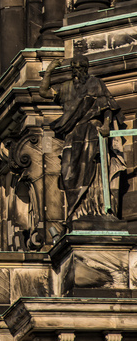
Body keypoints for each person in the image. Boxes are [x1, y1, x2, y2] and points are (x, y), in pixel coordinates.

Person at [40, 48, 125, 221]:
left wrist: (107, 124)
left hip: (91, 132)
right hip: (72, 136)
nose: (77, 69)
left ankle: (92, 208)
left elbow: (107, 105)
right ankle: (75, 210)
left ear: (86, 68)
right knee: (68, 172)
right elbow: (44, 92)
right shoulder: (66, 88)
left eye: (80, 66)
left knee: (92, 167)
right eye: (74, 66)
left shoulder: (95, 83)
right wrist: (48, 72)